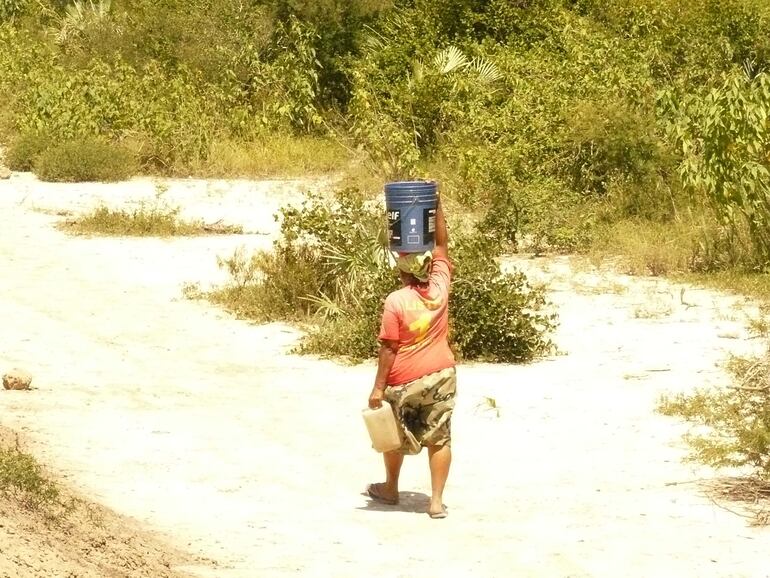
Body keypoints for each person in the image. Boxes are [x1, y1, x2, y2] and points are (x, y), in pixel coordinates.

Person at [366, 194, 456, 519]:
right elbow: (443, 246)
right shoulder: (440, 288)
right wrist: (436, 205)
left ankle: (390, 488)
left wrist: (378, 389)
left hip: (404, 379)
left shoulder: (396, 302)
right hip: (442, 374)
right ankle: (435, 502)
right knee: (440, 436)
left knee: (393, 435)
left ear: (402, 270)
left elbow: (388, 348)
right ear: (428, 266)